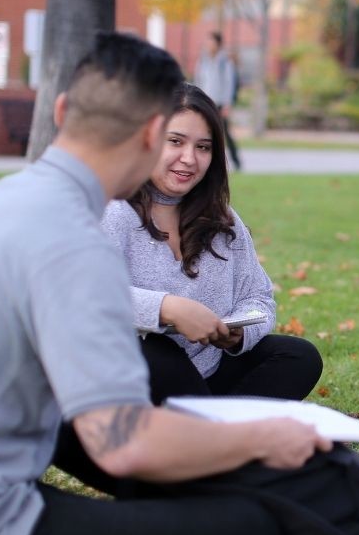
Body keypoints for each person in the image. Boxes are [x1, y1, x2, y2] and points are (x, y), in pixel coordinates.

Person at [0, 32, 359, 535]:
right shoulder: (75, 242)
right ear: (154, 136)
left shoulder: (3, 201)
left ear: (60, 112)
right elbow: (123, 443)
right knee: (256, 530)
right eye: (175, 140)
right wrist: (265, 436)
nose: (187, 157)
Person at [104, 82, 320, 404]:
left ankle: (209, 435)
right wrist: (168, 309)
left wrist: (239, 335)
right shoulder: (112, 211)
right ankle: (214, 436)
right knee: (153, 349)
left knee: (298, 356)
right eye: (175, 141)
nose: (189, 159)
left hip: (209, 372)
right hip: (133, 380)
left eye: (203, 147)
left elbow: (259, 297)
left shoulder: (222, 219)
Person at [195, 31, 243, 171]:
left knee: (224, 133)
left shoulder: (225, 61)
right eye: (207, 41)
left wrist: (228, 104)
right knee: (204, 132)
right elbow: (199, 80)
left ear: (218, 44)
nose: (208, 44)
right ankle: (210, 162)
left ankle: (235, 161)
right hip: (205, 101)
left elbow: (230, 83)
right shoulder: (203, 60)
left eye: (211, 41)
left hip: (220, 103)